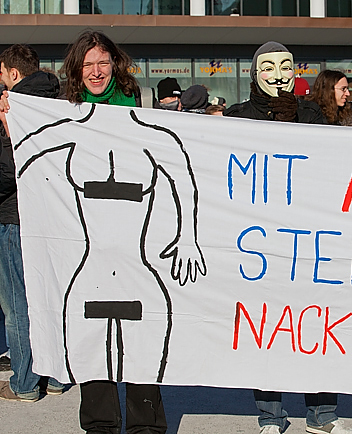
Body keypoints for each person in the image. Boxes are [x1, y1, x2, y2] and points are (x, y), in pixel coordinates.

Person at [226, 42, 352, 434]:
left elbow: (333, 164)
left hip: (309, 241)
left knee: (317, 325)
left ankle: (322, 414)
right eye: (268, 67)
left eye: (286, 66)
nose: (279, 75)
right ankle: (270, 416)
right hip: (260, 244)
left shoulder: (313, 115)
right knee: (266, 330)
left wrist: (296, 124)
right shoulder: (236, 117)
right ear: (254, 74)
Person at [59, 30, 169, 434]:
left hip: (139, 255)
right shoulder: (63, 114)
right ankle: (101, 426)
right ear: (76, 70)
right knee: (92, 348)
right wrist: (10, 112)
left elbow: (176, 164)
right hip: (86, 256)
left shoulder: (140, 107)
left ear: (114, 64)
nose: (96, 71)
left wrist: (185, 238)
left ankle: (146, 428)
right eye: (87, 64)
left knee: (142, 350)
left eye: (102, 62)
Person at [0, 44, 65, 402]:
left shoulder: (16, 109)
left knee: (17, 303)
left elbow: (10, 168)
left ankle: (24, 381)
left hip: (14, 216)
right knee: (51, 295)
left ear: (13, 73)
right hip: (52, 217)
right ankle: (55, 375)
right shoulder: (58, 102)